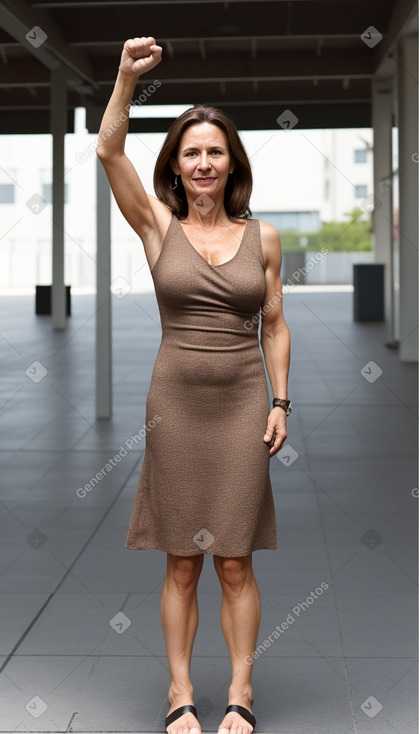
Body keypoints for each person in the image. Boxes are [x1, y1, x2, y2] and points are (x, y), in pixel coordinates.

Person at [97, 36, 291, 734]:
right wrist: (124, 77)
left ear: (230, 161)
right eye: (190, 152)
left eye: (214, 151)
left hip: (242, 404)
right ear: (175, 167)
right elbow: (108, 151)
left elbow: (273, 324)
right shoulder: (156, 226)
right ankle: (178, 693)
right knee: (181, 562)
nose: (203, 162)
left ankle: (241, 692)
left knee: (234, 561)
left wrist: (280, 400)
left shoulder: (263, 237)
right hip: (174, 406)